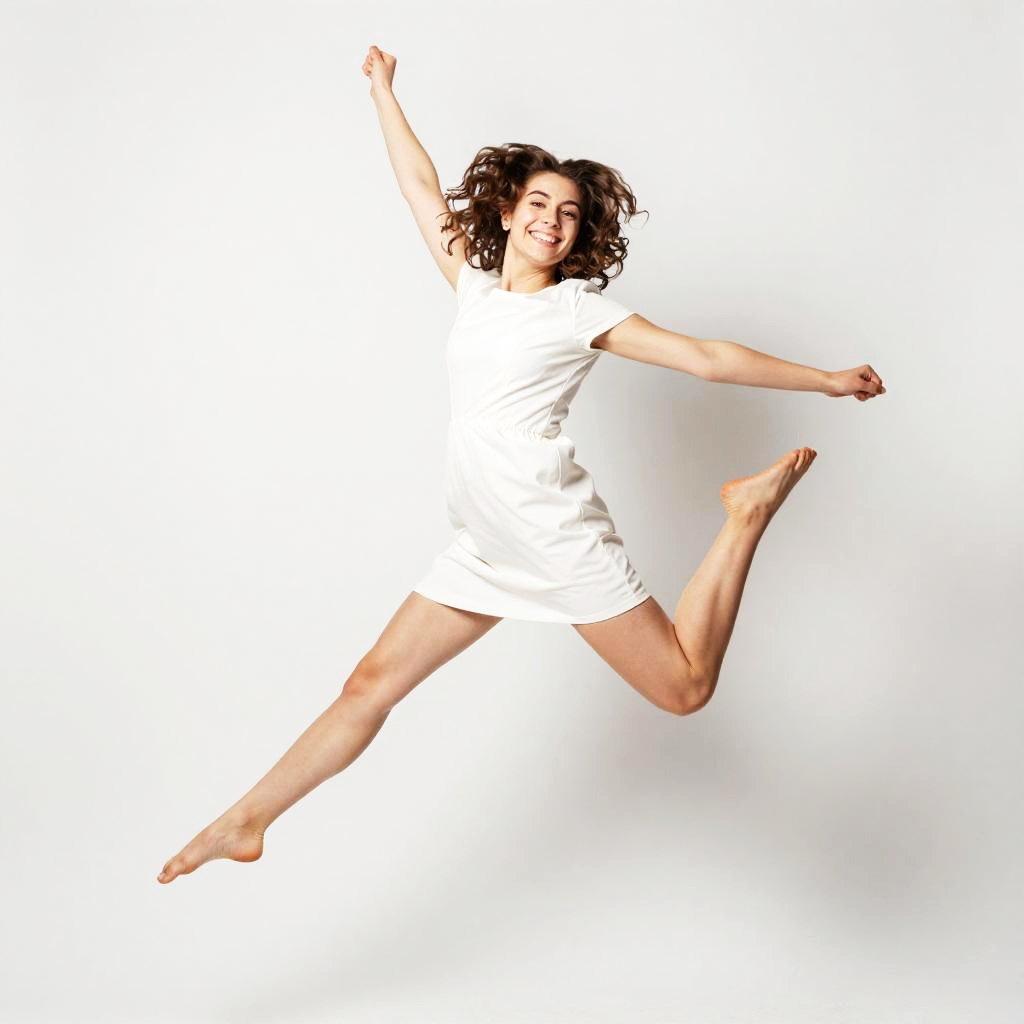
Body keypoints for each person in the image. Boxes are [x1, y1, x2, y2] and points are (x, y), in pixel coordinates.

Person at [156, 45, 885, 884]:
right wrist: (385, 94)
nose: (551, 218)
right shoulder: (473, 288)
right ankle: (245, 821)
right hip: (485, 538)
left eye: (569, 213)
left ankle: (744, 516)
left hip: (544, 527)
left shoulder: (578, 310)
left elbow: (707, 358)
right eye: (538, 202)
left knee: (685, 688)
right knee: (369, 685)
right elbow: (419, 188)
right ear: (507, 214)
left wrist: (824, 380)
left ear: (578, 236)